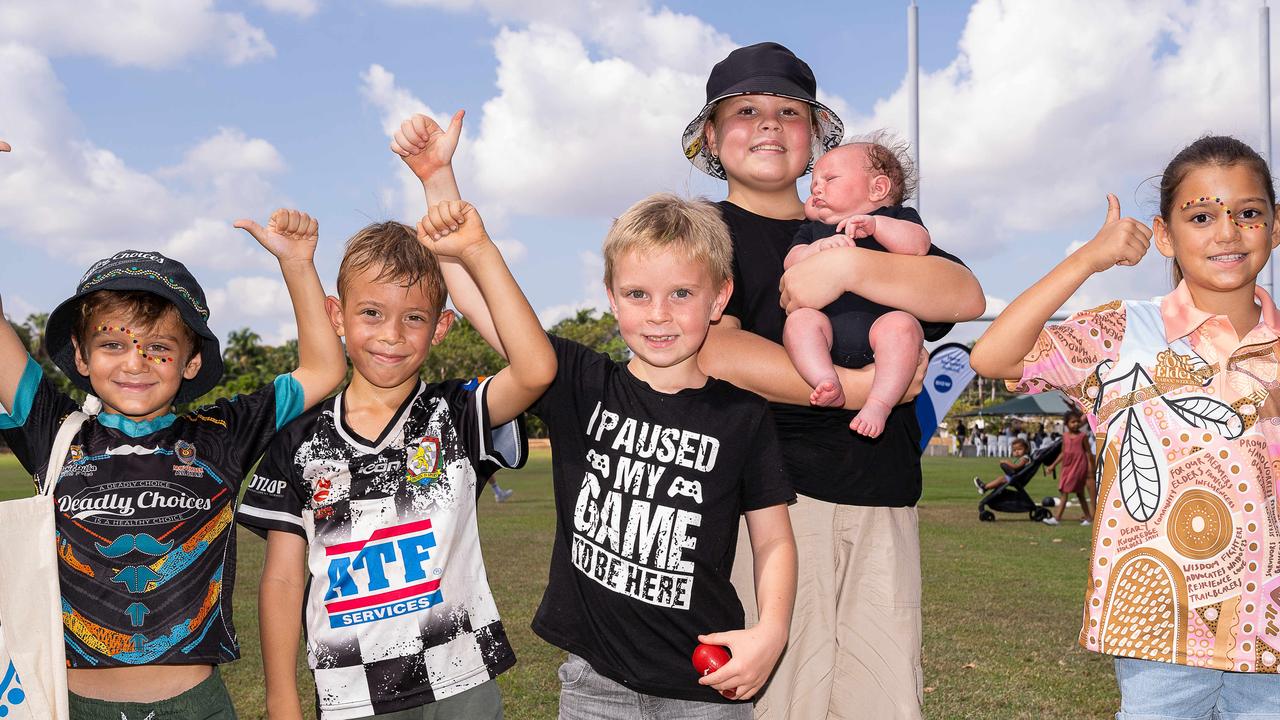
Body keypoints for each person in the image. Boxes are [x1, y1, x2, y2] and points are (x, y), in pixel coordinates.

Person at [686, 42, 985, 719]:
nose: (768, 125)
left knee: (883, 697)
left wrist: (848, 269)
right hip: (771, 503)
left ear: (816, 135)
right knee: (782, 698)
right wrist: (858, 389)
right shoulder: (704, 229)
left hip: (883, 493)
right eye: (745, 111)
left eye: (788, 112)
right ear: (710, 134)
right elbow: (716, 350)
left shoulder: (866, 227)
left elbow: (963, 294)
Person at [422, 191, 798, 717]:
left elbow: (774, 539)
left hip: (705, 686)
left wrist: (772, 631)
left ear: (719, 298)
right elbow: (481, 304)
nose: (659, 315)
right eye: (638, 294)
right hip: (595, 683)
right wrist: (441, 189)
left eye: (682, 293)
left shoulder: (744, 416)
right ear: (612, 298)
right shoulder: (579, 382)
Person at [970, 135, 1280, 717]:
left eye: (1248, 213)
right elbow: (994, 357)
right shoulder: (1119, 334)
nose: (1227, 231)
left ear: (1275, 224)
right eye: (1201, 216)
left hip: (1272, 631)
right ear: (1164, 234)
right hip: (1158, 631)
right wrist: (1089, 259)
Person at [0, 210, 346, 718]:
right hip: (73, 706)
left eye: (158, 347)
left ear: (191, 361)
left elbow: (323, 368)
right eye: (112, 344)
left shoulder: (220, 435)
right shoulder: (54, 428)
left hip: (196, 706)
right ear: (80, 356)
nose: (134, 362)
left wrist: (296, 263)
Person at [237, 210, 555, 719]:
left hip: (459, 678)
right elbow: (281, 580)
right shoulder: (298, 441)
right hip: (351, 692)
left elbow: (537, 368)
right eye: (371, 313)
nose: (392, 334)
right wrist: (281, 698)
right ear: (336, 316)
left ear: (441, 327)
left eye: (414, 317)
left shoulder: (456, 414)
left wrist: (477, 250)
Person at [781, 140, 930, 437]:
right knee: (800, 321)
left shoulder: (896, 218)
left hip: (880, 328)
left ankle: (879, 403)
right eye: (813, 184)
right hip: (828, 332)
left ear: (878, 189)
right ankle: (826, 379)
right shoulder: (814, 230)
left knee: (902, 327)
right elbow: (791, 262)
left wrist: (876, 227)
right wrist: (819, 247)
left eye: (829, 179)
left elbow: (919, 244)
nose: (816, 189)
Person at [1041, 410, 1092, 526]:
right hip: (1067, 467)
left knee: (1066, 491)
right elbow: (1063, 453)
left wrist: (1090, 466)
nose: (1076, 424)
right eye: (1073, 422)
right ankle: (1088, 518)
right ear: (1066, 424)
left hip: (1079, 467)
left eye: (1078, 422)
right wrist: (1053, 465)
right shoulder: (1064, 436)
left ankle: (1057, 518)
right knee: (1079, 494)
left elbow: (1088, 452)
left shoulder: (1083, 436)